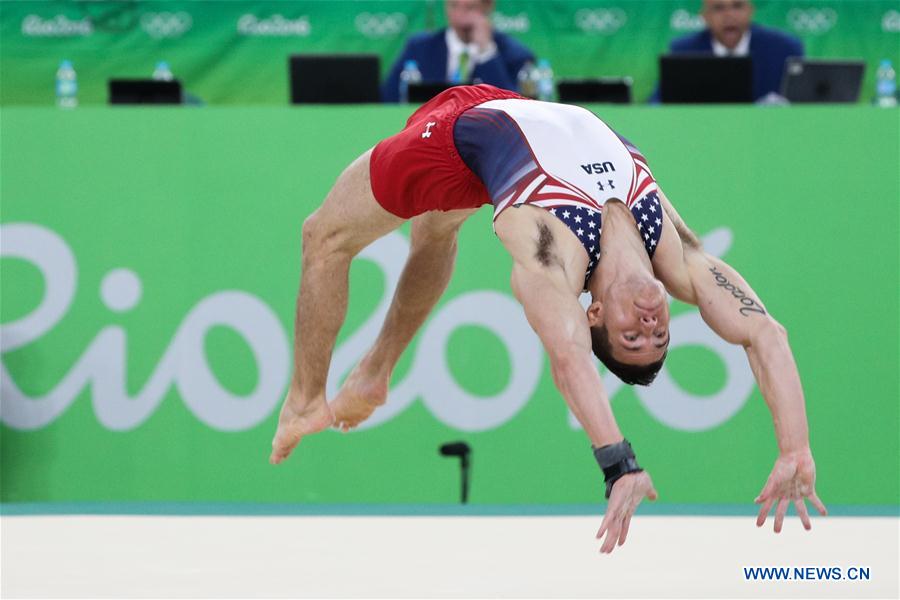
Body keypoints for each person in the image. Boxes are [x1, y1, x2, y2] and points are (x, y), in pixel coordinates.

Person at [269, 84, 827, 553]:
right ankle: (375, 369)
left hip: (460, 137)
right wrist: (794, 448)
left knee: (323, 236)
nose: (653, 324)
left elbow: (568, 357)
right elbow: (763, 333)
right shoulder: (676, 255)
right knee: (436, 226)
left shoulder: (551, 256)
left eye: (632, 336)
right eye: (660, 335)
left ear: (596, 313)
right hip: (512, 108)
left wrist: (620, 465)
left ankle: (304, 400)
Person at [650, 0, 804, 102]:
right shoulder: (683, 51)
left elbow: (806, 103)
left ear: (750, 11)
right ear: (705, 16)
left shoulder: (784, 48)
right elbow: (658, 103)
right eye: (719, 8)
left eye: (737, 6)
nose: (729, 15)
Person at [381, 0, 534, 102]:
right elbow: (389, 98)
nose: (460, 15)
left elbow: (512, 106)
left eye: (470, 8)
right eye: (454, 6)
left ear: (487, 7)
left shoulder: (515, 53)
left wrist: (486, 52)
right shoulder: (419, 48)